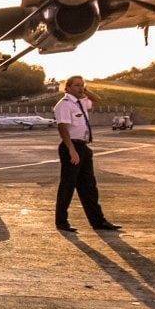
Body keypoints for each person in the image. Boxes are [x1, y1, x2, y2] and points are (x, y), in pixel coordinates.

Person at [53, 76, 121, 232]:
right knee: (67, 186)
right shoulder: (64, 105)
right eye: (77, 85)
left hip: (83, 147)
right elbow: (62, 128)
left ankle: (98, 221)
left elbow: (97, 100)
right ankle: (61, 222)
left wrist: (86, 90)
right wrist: (71, 150)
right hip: (72, 146)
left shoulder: (81, 102)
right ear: (67, 88)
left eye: (82, 85)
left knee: (89, 186)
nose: (80, 88)